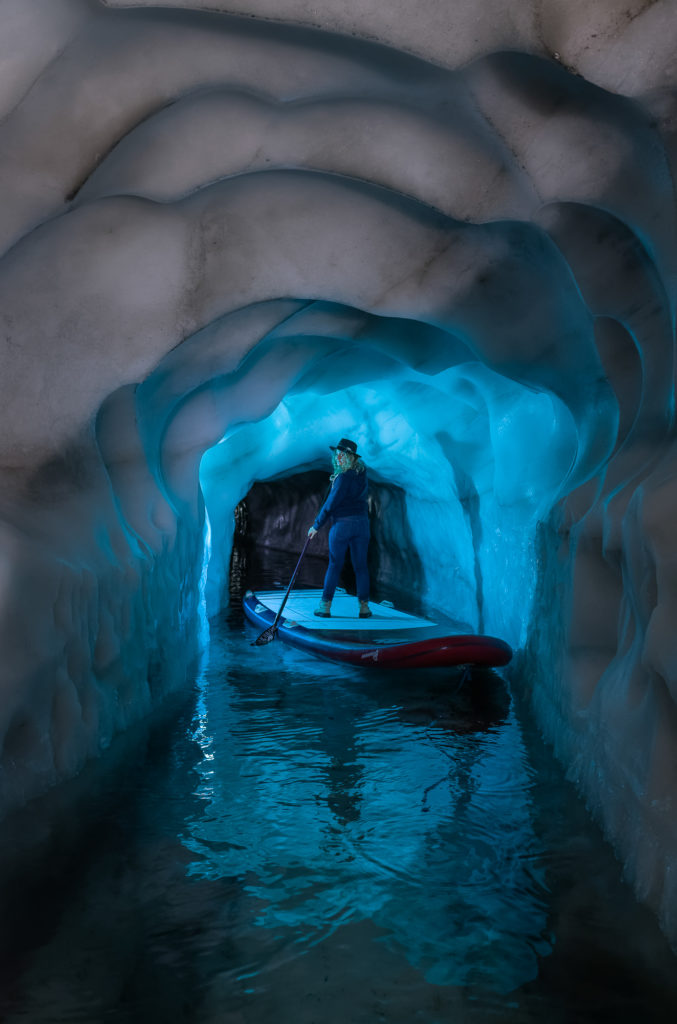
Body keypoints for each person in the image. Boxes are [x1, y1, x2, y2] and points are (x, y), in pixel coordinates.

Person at [307, 438, 372, 618]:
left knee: (335, 565)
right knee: (361, 566)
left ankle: (325, 606)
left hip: (343, 525)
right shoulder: (362, 473)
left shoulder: (342, 478)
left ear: (352, 457)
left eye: (344, 455)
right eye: (338, 455)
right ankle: (364, 607)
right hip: (362, 525)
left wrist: (316, 526)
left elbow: (331, 503)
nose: (339, 459)